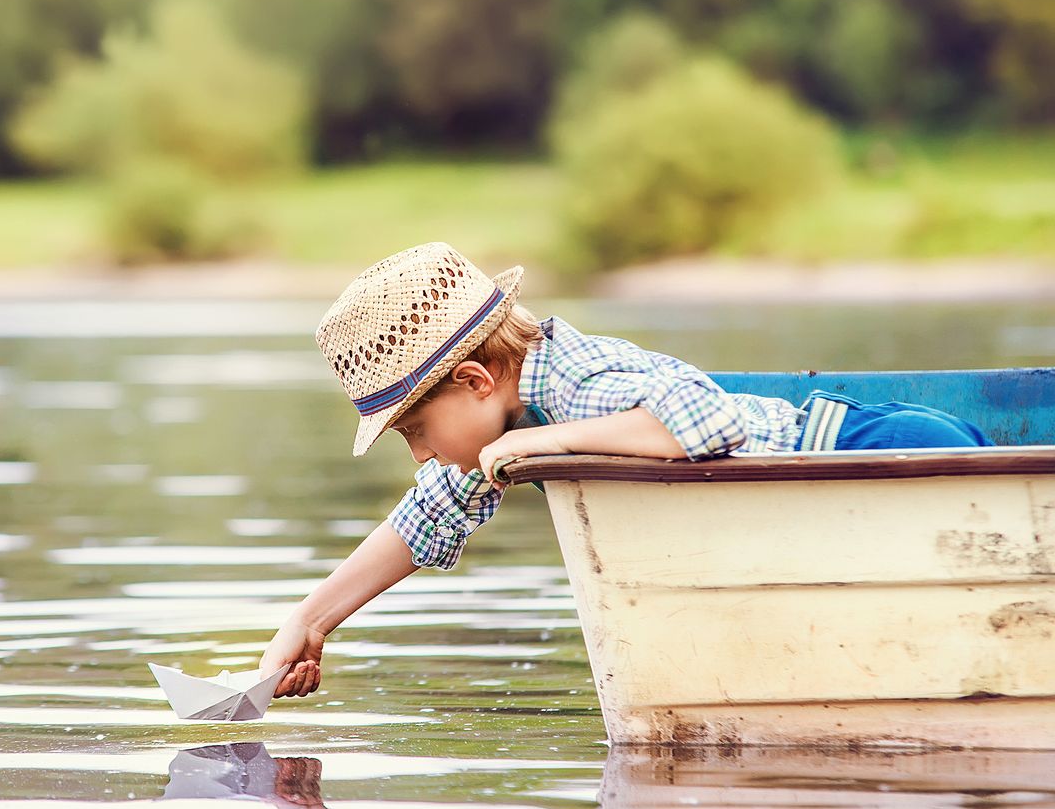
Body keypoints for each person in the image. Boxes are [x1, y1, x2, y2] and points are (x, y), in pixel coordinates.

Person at [258, 242, 994, 698]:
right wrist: (310, 620)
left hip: (876, 449)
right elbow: (425, 519)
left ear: (477, 382)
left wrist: (539, 448)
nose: (419, 454)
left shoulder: (578, 378)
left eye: (415, 430)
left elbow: (712, 423)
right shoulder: (506, 421)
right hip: (829, 514)